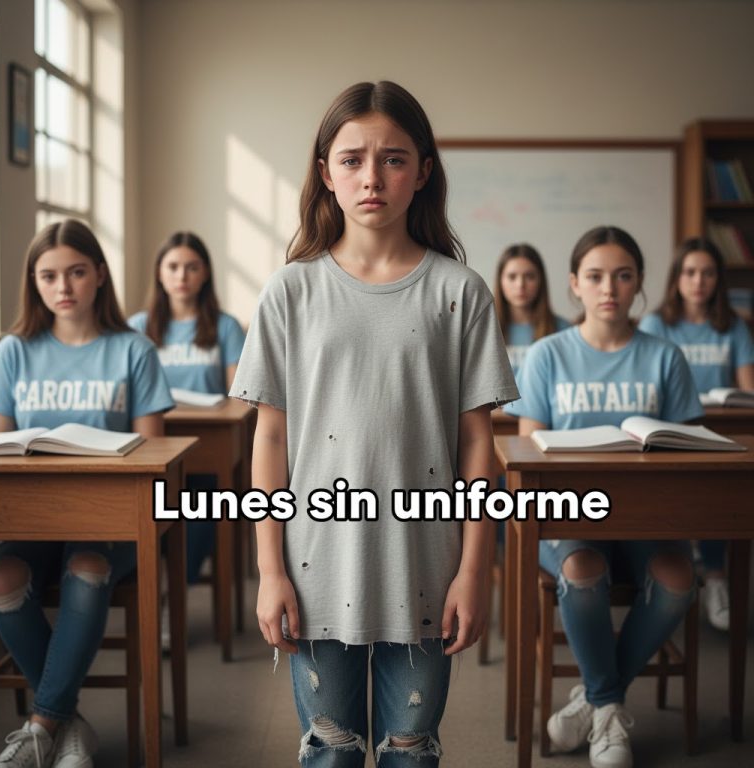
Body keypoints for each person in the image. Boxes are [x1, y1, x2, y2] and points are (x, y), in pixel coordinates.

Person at [229, 80, 518, 766]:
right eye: (352, 158)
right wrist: (268, 571)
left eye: (393, 158)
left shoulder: (461, 292)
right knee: (329, 751)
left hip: (425, 563)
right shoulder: (291, 291)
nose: (372, 176)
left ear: (422, 172)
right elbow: (269, 439)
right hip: (314, 565)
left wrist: (475, 570)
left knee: (411, 751)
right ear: (325, 172)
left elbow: (478, 443)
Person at [505, 225, 700, 768]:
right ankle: (610, 710)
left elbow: (689, 449)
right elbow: (528, 454)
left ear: (639, 283)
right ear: (574, 284)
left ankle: (594, 701)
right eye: (594, 276)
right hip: (568, 514)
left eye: (622, 275)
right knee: (584, 568)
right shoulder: (546, 355)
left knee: (678, 578)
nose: (608, 287)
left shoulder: (666, 356)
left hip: (648, 516)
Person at [0, 219, 173, 768]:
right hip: (28, 520)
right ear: (33, 282)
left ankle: (42, 723)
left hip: (109, 522)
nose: (62, 286)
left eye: (75, 272)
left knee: (88, 567)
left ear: (99, 276)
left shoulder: (132, 350)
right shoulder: (14, 353)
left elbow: (152, 452)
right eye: (48, 275)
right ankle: (67, 724)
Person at [639, 237, 754, 631]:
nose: (698, 281)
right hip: (671, 428)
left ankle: (717, 576)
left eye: (707, 273)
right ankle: (682, 567)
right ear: (677, 278)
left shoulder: (733, 325)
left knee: (722, 493)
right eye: (690, 272)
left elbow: (747, 389)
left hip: (718, 429)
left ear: (718, 279)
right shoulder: (657, 324)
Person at [129, 231, 245, 587]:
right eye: (173, 267)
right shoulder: (137, 326)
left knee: (202, 502)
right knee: (151, 501)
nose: (182, 276)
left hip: (205, 445)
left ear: (205, 273)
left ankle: (173, 587)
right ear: (159, 273)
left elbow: (238, 394)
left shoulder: (224, 326)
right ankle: (151, 582)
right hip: (153, 441)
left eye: (192, 267)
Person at [494, 242, 570, 376]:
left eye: (529, 276)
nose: (520, 285)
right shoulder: (485, 330)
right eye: (512, 277)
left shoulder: (563, 331)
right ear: (500, 281)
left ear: (541, 280)